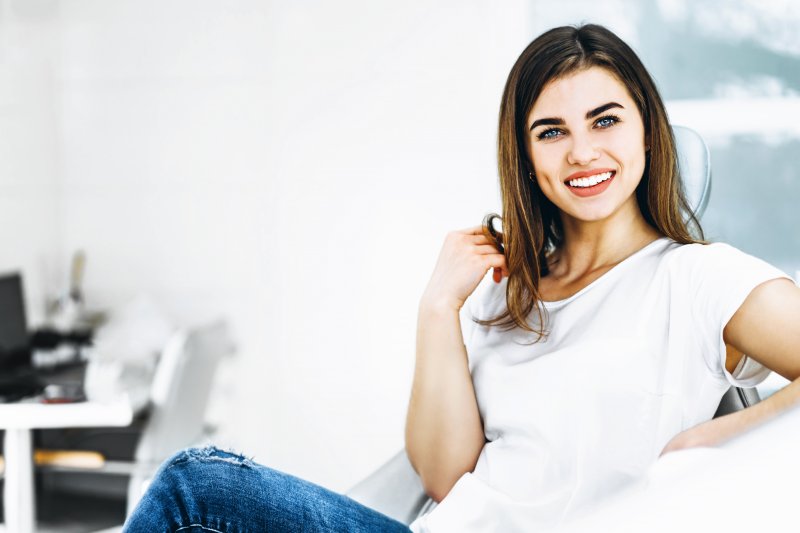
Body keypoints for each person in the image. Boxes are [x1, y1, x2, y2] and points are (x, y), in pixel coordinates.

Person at [123, 23, 800, 533]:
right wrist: (437, 307)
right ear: (525, 154)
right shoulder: (511, 291)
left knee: (194, 487)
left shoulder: (699, 278)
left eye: (605, 120)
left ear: (648, 133)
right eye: (551, 131)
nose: (583, 150)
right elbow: (444, 476)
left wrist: (718, 440)